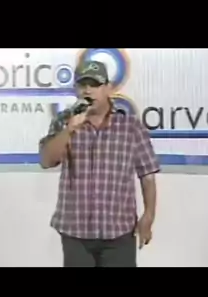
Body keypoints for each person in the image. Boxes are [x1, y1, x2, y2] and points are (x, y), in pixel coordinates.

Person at [39, 59, 160, 267]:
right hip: (76, 232)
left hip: (118, 232)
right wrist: (70, 130)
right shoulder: (64, 121)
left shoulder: (130, 127)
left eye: (94, 85)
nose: (88, 90)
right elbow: (46, 160)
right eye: (83, 85)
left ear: (108, 88)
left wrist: (148, 216)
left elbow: (147, 175)